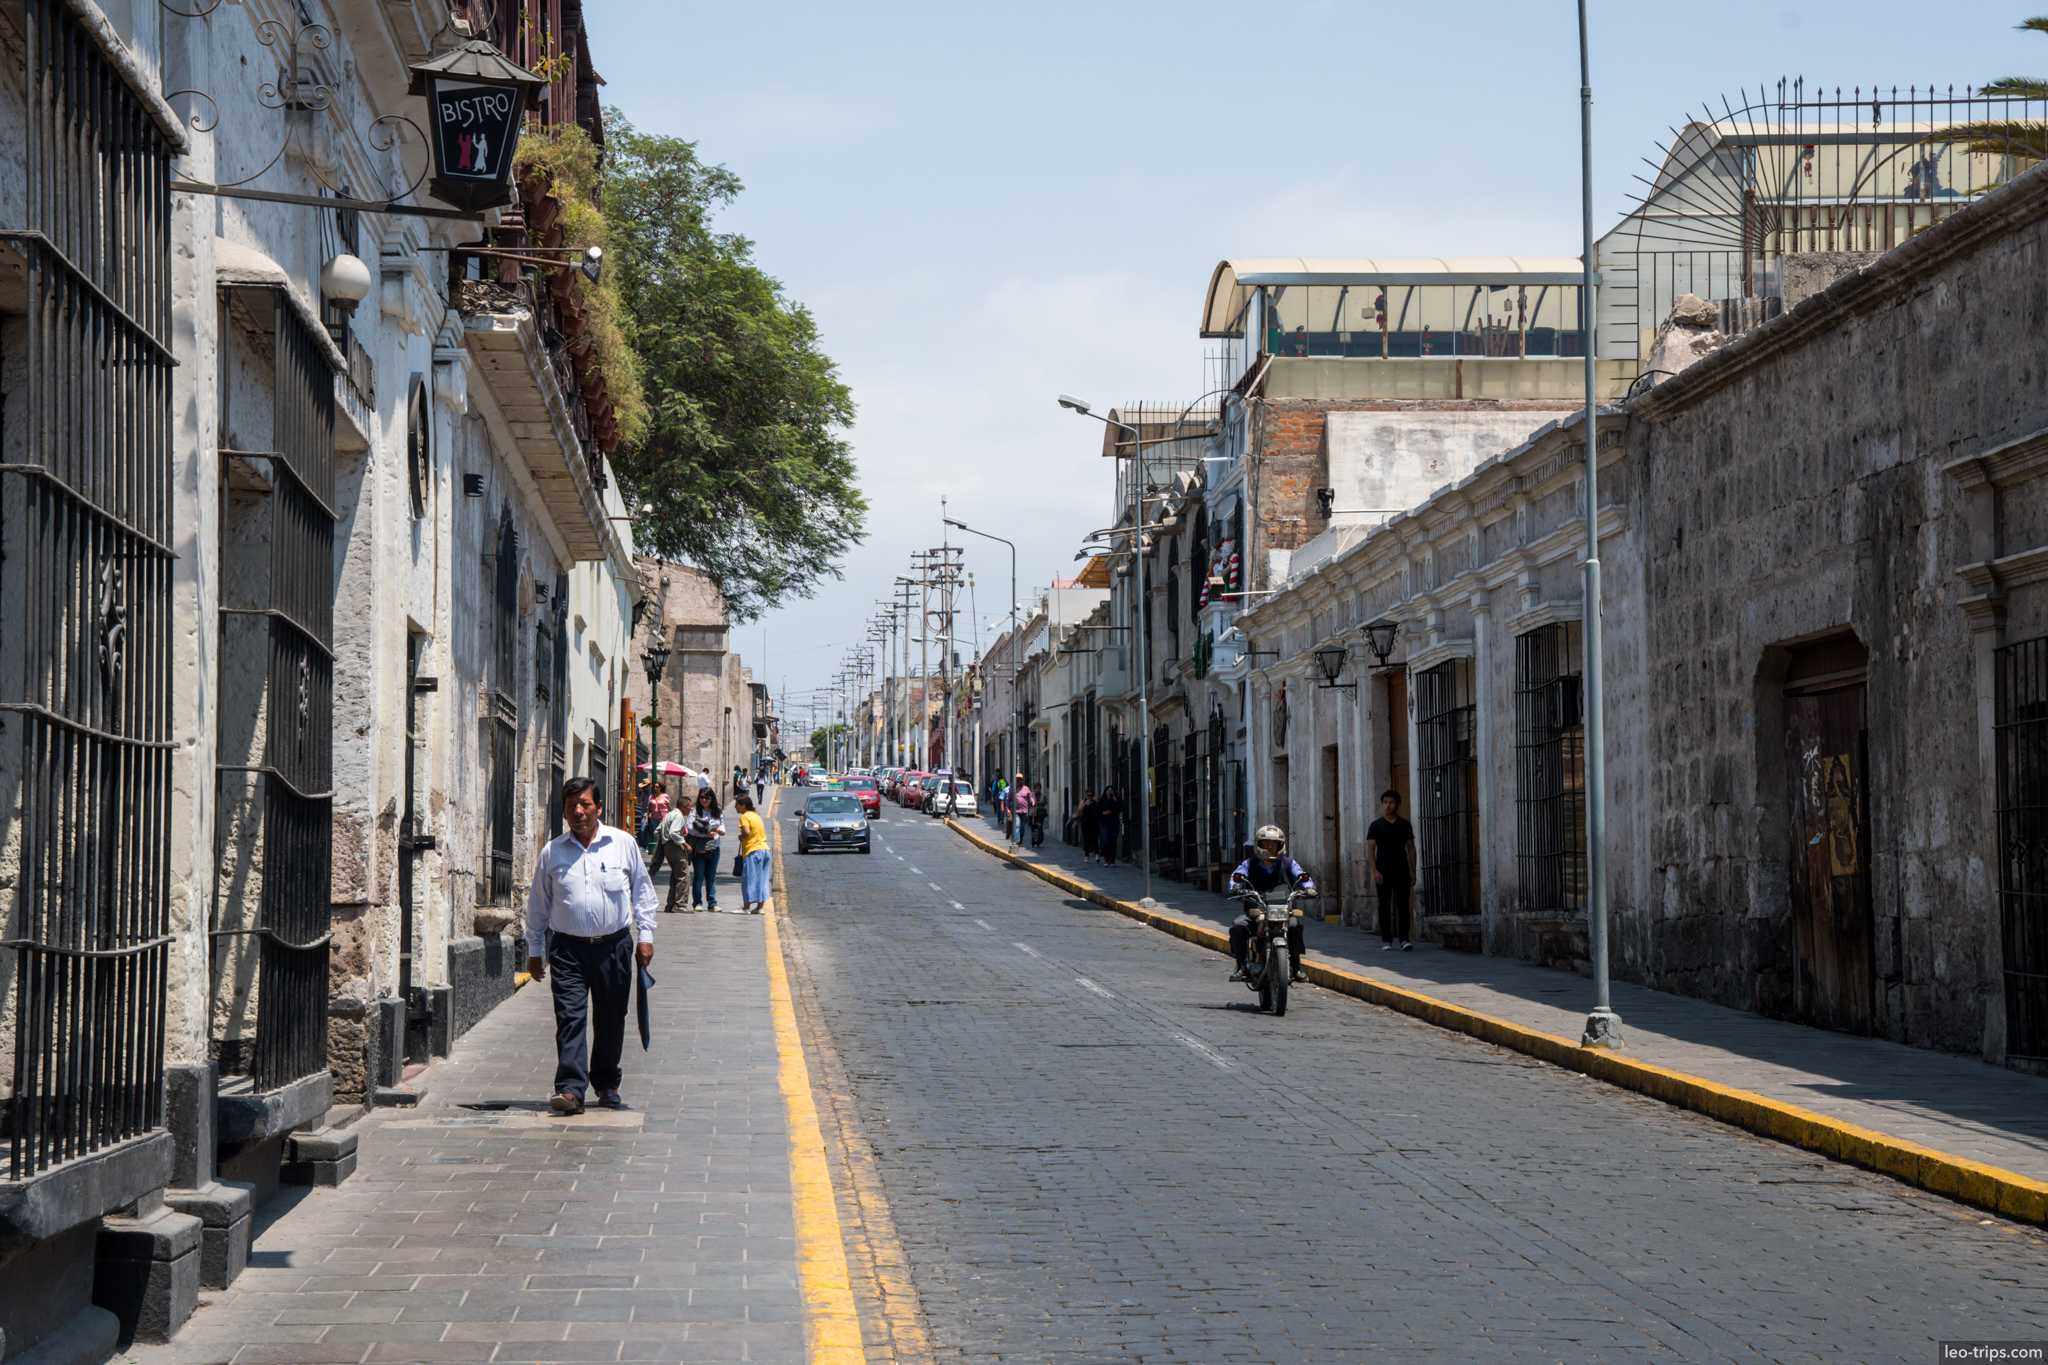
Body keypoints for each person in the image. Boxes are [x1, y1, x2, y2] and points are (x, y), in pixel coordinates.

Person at [525, 776, 657, 1115]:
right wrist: (535, 951)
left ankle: (606, 1083)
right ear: (564, 813)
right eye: (571, 806)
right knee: (570, 1018)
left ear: (599, 807)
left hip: (614, 947)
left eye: (585, 804)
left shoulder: (623, 843)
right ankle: (570, 1089)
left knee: (612, 1018)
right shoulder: (552, 852)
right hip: (568, 950)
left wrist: (646, 937)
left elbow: (643, 893)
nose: (579, 811)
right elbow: (539, 905)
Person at [1227, 825, 1316, 984]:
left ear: (1280, 846)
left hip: (1282, 911)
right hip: (1255, 911)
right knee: (1238, 926)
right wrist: (1235, 887)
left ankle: (1295, 965)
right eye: (1266, 843)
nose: (1270, 846)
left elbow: (1302, 876)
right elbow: (1237, 876)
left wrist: (1309, 889)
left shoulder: (1288, 864)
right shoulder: (1250, 864)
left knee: (1294, 926)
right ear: (1258, 845)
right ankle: (1241, 965)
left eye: (1273, 843)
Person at [1366, 789, 1418, 951]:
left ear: (1398, 805)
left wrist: (1413, 871)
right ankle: (1386, 940)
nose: (1388, 805)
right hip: (1383, 871)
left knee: (1403, 903)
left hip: (1401, 870)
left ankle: (1404, 939)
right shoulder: (1376, 825)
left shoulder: (1404, 825)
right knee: (1384, 905)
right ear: (1382, 804)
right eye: (1385, 802)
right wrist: (1375, 871)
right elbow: (1370, 850)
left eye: (1391, 802)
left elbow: (1411, 848)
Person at [733, 793, 770, 913]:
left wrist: (741, 836)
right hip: (764, 850)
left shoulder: (745, 817)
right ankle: (760, 907)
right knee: (762, 880)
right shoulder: (756, 816)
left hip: (753, 851)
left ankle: (746, 907)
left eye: (737, 805)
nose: (735, 807)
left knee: (749, 879)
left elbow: (747, 832)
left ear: (743, 805)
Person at [1097, 786, 1123, 865]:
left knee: (1113, 841)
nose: (1110, 792)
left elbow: (1121, 805)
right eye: (1108, 790)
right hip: (1104, 823)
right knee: (1105, 840)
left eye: (1111, 790)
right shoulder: (1102, 801)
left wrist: (1114, 798)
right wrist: (1104, 813)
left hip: (1114, 823)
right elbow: (1096, 811)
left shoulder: (1116, 800)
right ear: (1105, 792)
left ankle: (1112, 860)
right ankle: (1106, 860)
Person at [1076, 789, 1100, 864]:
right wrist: (1085, 803)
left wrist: (1097, 801)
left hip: (1094, 823)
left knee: (1095, 838)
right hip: (1085, 823)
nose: (1089, 797)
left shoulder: (1095, 802)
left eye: (1091, 795)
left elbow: (1101, 808)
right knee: (1086, 840)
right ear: (1085, 795)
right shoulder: (1083, 801)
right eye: (1088, 795)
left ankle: (1097, 855)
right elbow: (1078, 811)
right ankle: (1087, 856)